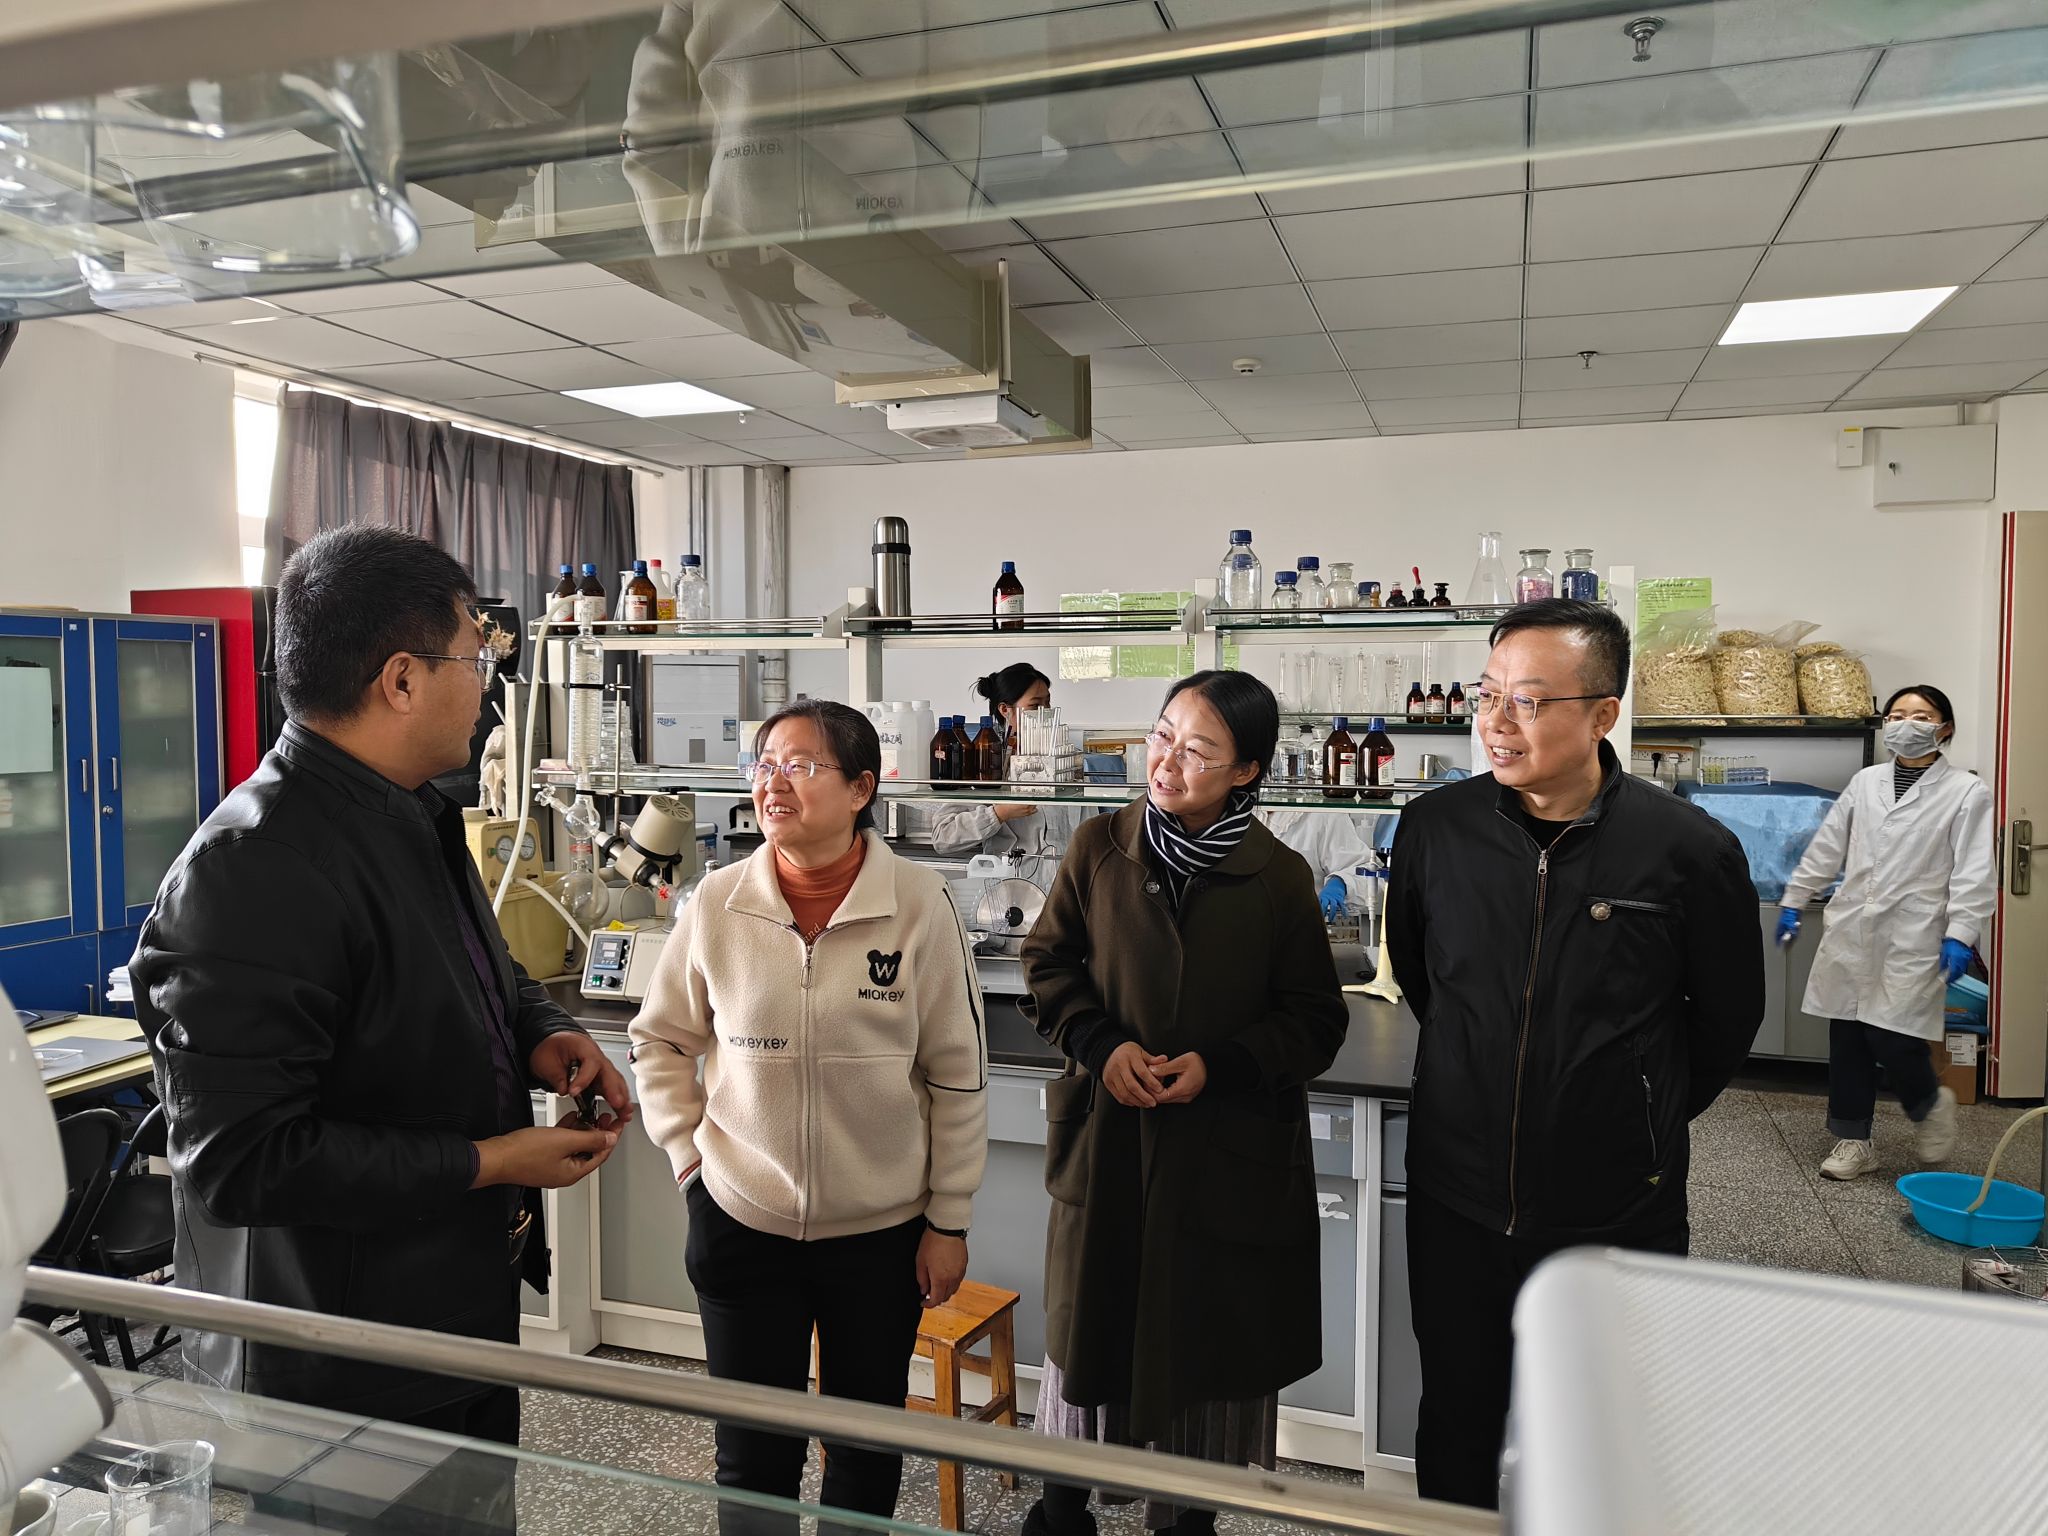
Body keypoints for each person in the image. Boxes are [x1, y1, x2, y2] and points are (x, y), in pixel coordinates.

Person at [130, 525, 632, 1444]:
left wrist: (538, 1027)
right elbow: (245, 1161)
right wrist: (491, 1161)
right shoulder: (255, 869)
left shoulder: (411, 814)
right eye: (475, 661)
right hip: (334, 1366)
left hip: (449, 1318)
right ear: (401, 680)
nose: (487, 689)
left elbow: (470, 962)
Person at [1385, 598, 1762, 1511]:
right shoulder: (1437, 828)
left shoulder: (1687, 851)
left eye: (1527, 700)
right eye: (1487, 695)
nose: (1496, 722)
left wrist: (1633, 1109)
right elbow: (1424, 977)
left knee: (1605, 1428)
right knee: (1459, 1412)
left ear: (1603, 715)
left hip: (1614, 1201)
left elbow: (1725, 1019)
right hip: (1457, 1189)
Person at [629, 699, 988, 1536]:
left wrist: (949, 1218)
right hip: (741, 1219)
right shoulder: (718, 903)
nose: (773, 783)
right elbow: (661, 1041)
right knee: (754, 1457)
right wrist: (689, 1162)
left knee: (864, 1450)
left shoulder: (919, 904)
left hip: (881, 1232)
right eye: (764, 765)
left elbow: (958, 1073)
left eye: (800, 765)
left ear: (862, 788)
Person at [1019, 671, 1348, 1536]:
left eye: (1199, 750)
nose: (1166, 762)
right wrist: (1102, 1046)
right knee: (1087, 1348)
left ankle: (1189, 1521)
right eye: (1163, 735)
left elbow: (1316, 1020)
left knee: (1209, 1363)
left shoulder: (1279, 878)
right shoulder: (1099, 847)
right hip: (1109, 1144)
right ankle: (1061, 1513)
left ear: (1246, 771)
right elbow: (1046, 965)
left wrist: (1223, 1066)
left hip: (1224, 1160)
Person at [1778, 685, 1994, 1181]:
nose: (1906, 724)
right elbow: (1829, 844)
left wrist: (1961, 932)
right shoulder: (1866, 781)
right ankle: (1853, 1140)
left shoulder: (1966, 791)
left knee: (1893, 1035)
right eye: (1896, 715)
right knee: (1848, 1035)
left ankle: (1927, 1103)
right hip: (1854, 925)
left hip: (1915, 930)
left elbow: (1975, 869)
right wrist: (1795, 898)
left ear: (1945, 728)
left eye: (1921, 715)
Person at [923, 663, 1055, 855]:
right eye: (1035, 705)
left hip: (1066, 871)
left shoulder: (1061, 757)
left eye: (1048, 703)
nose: (1045, 712)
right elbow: (943, 836)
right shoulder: (986, 759)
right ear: (1005, 710)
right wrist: (999, 814)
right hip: (1013, 870)